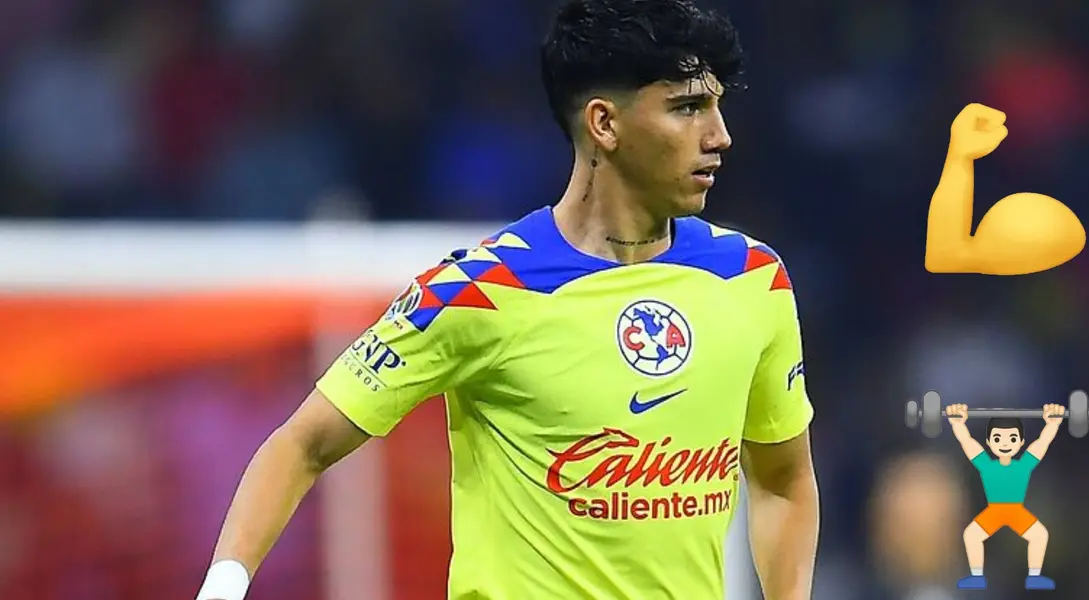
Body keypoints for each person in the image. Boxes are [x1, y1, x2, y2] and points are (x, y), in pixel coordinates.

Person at [194, 1, 820, 598]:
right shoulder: (480, 291)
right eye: (687, 109)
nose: (720, 136)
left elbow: (783, 480)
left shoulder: (752, 280)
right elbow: (302, 444)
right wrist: (223, 588)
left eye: (716, 106)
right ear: (605, 124)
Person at [947, 403, 1063, 591]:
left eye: (1012, 438)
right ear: (989, 442)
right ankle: (977, 576)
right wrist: (958, 424)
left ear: (1021, 442)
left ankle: (1034, 576)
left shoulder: (1023, 465)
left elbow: (1042, 443)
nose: (1005, 444)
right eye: (998, 438)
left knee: (1040, 535)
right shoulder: (987, 465)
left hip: (1016, 511)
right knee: (971, 535)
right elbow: (967, 443)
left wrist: (1052, 424)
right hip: (994, 511)